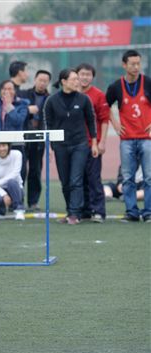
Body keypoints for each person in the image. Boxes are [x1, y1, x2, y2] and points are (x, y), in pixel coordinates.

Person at [44, 69, 97, 225]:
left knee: (76, 180)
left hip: (80, 144)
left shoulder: (84, 99)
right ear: (63, 81)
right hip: (60, 146)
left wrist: (93, 142)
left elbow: (91, 121)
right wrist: (49, 147)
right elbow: (47, 125)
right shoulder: (52, 101)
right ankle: (70, 212)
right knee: (65, 181)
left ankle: (75, 214)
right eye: (74, 79)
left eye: (77, 79)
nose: (77, 82)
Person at [105, 49, 151, 223]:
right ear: (124, 65)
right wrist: (116, 124)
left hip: (147, 139)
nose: (136, 66)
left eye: (138, 63)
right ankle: (131, 212)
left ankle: (148, 212)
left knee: (149, 177)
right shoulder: (116, 86)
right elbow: (105, 106)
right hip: (127, 140)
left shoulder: (147, 82)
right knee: (128, 177)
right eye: (132, 64)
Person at [77, 63, 110, 223]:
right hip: (75, 146)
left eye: (88, 75)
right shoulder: (70, 94)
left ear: (92, 77)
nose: (84, 77)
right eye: (82, 74)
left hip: (93, 144)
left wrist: (102, 142)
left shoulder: (98, 95)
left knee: (94, 178)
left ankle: (99, 211)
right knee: (79, 179)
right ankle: (84, 211)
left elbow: (104, 120)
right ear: (76, 75)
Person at [0, 79, 29, 179]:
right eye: (4, 89)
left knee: (18, 176)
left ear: (15, 91)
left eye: (10, 89)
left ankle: (18, 194)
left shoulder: (22, 105)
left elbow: (18, 121)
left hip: (16, 145)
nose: (7, 91)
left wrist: (9, 106)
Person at [22, 70, 51, 211]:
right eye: (40, 80)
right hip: (23, 138)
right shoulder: (24, 94)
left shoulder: (50, 99)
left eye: (45, 81)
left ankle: (33, 202)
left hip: (39, 142)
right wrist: (27, 110)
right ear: (35, 80)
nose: (42, 83)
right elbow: (18, 110)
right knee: (20, 170)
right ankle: (18, 201)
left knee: (35, 171)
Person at [0, 142, 25, 220]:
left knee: (11, 182)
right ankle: (1, 210)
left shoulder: (17, 154)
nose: (2, 149)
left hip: (15, 188)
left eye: (4, 145)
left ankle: (19, 210)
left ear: (8, 146)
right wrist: (4, 195)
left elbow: (15, 173)